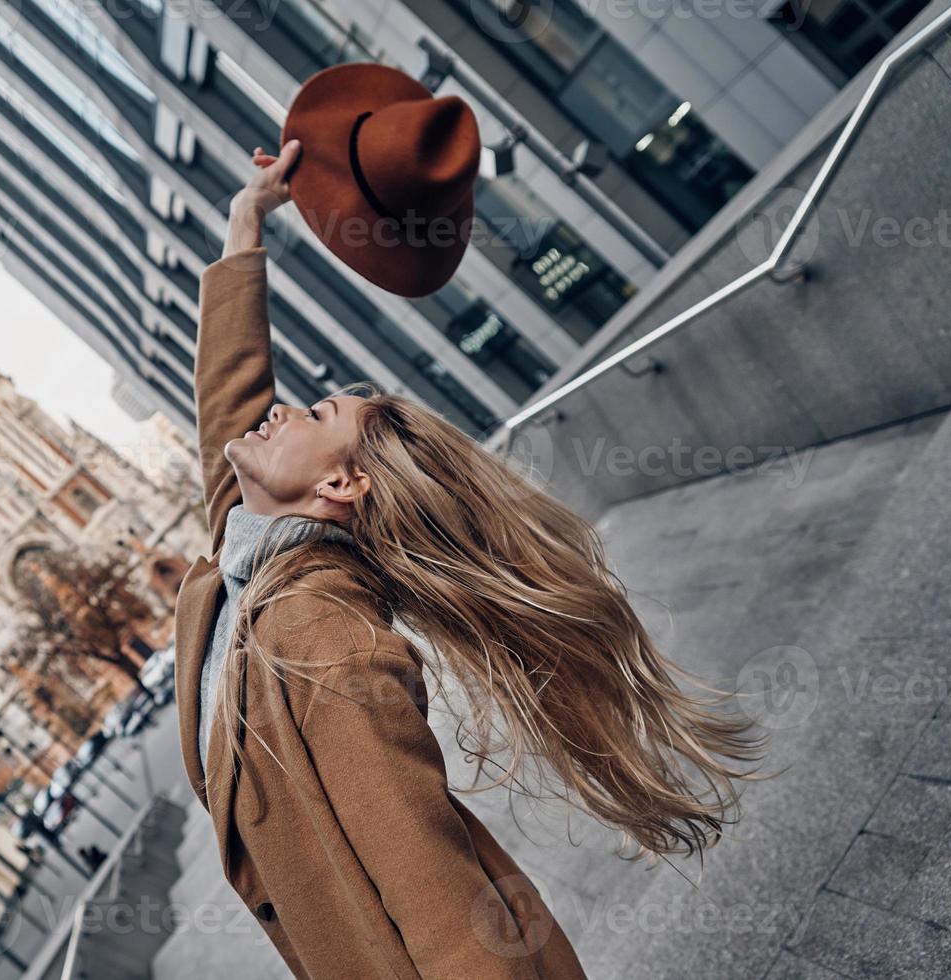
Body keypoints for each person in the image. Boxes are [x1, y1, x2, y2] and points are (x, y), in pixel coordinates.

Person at [172, 104, 764, 980]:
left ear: (338, 486)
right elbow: (231, 399)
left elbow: (434, 888)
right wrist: (246, 221)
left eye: (315, 414)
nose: (282, 413)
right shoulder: (247, 555)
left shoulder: (322, 635)